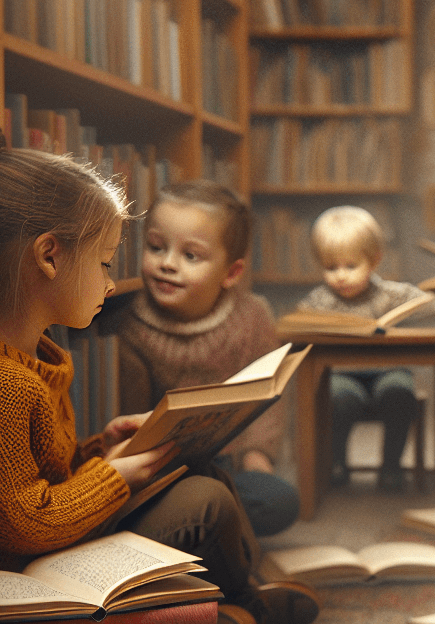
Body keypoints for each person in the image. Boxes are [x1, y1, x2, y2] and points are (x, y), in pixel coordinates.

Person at [0, 122, 316, 624]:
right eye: (104, 262)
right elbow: (20, 522)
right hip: (25, 575)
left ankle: (232, 605)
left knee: (197, 469)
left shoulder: (31, 360)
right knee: (206, 500)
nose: (113, 282)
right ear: (49, 257)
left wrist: (102, 448)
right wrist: (114, 477)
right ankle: (244, 608)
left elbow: (50, 475)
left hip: (58, 544)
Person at [96, 180, 299, 539]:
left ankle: (203, 528)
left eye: (190, 256)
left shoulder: (252, 316)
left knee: (277, 501)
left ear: (231, 274)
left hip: (230, 463)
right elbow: (126, 413)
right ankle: (199, 528)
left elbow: (268, 396)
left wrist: (258, 456)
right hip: (162, 467)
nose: (168, 265)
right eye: (156, 248)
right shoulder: (125, 324)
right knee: (163, 503)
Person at [293, 205, 435, 490]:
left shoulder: (391, 293)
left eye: (351, 266)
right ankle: (337, 464)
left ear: (374, 261)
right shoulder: (318, 301)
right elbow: (296, 327)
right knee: (338, 397)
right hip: (341, 374)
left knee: (400, 393)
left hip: (389, 371)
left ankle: (391, 466)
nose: (340, 276)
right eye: (331, 267)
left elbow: (434, 304)